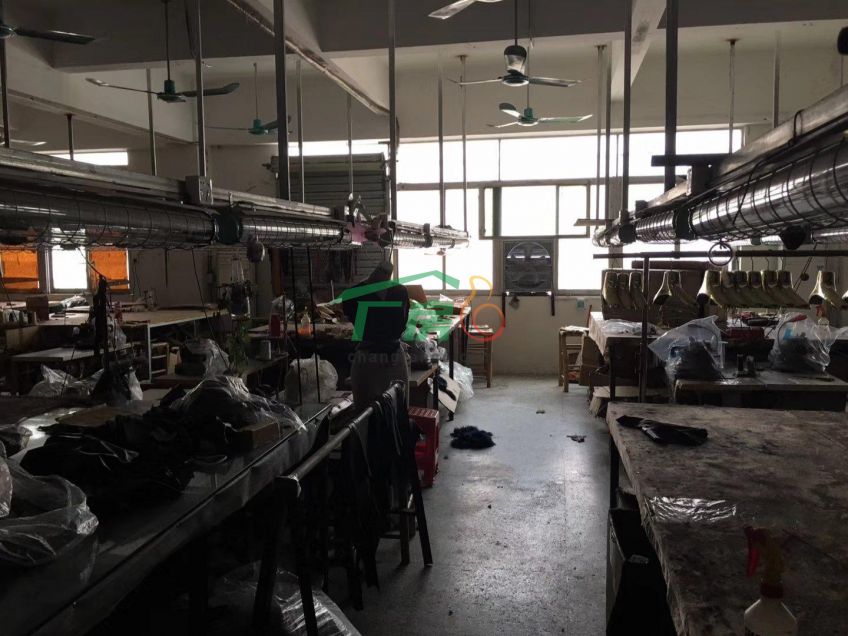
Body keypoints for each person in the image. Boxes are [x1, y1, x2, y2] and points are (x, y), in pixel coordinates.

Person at [342, 261, 410, 410]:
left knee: (395, 411)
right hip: (375, 359)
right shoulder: (401, 291)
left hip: (379, 358)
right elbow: (402, 325)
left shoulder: (400, 291)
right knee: (369, 414)